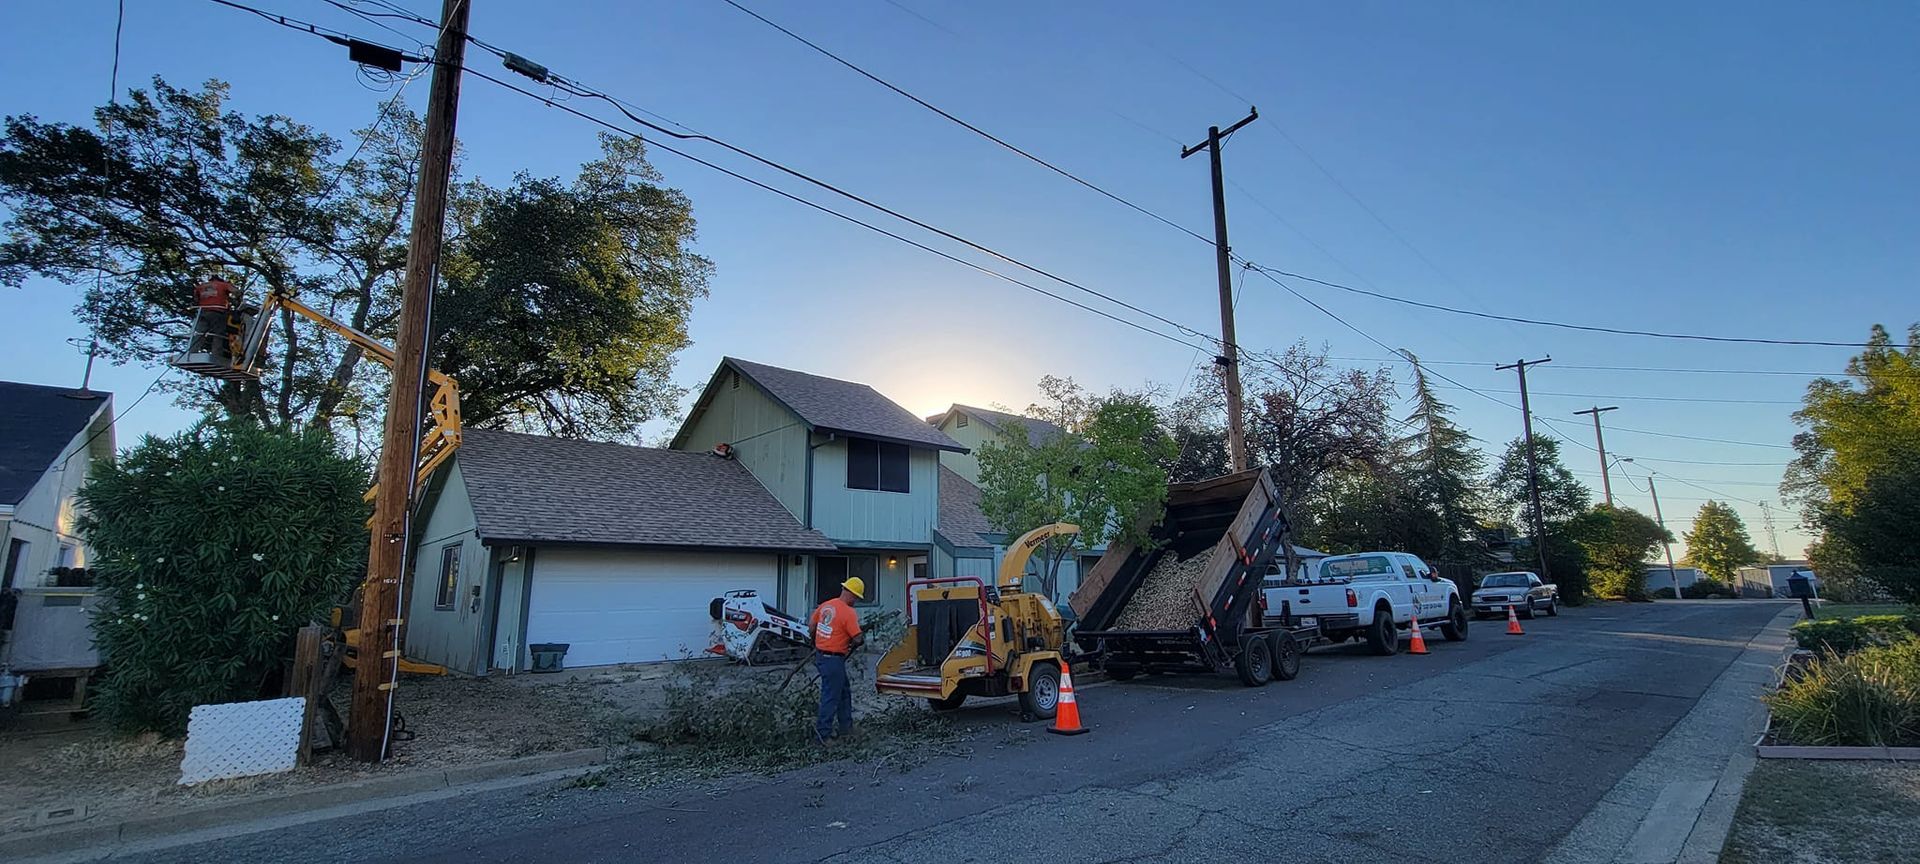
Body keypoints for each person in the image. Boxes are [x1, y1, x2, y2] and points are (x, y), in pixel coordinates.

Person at [809, 576, 866, 744]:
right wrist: (860, 638)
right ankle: (822, 736)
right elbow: (857, 638)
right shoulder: (848, 612)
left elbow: (812, 627)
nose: (855, 600)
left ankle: (846, 729)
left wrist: (816, 642)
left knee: (843, 692)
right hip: (833, 660)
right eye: (856, 597)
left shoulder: (826, 605)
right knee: (831, 697)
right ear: (851, 594)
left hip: (822, 656)